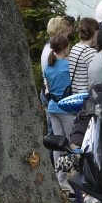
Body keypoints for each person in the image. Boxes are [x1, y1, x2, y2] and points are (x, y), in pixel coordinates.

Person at [42, 34, 75, 190]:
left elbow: (48, 87)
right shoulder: (68, 66)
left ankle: (58, 176)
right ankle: (64, 178)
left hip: (53, 108)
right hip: (66, 109)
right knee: (68, 144)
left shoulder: (48, 67)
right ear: (66, 47)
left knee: (57, 145)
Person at [69, 18, 99, 94]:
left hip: (75, 94)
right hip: (86, 97)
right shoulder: (90, 52)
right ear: (94, 32)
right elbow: (96, 78)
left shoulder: (74, 47)